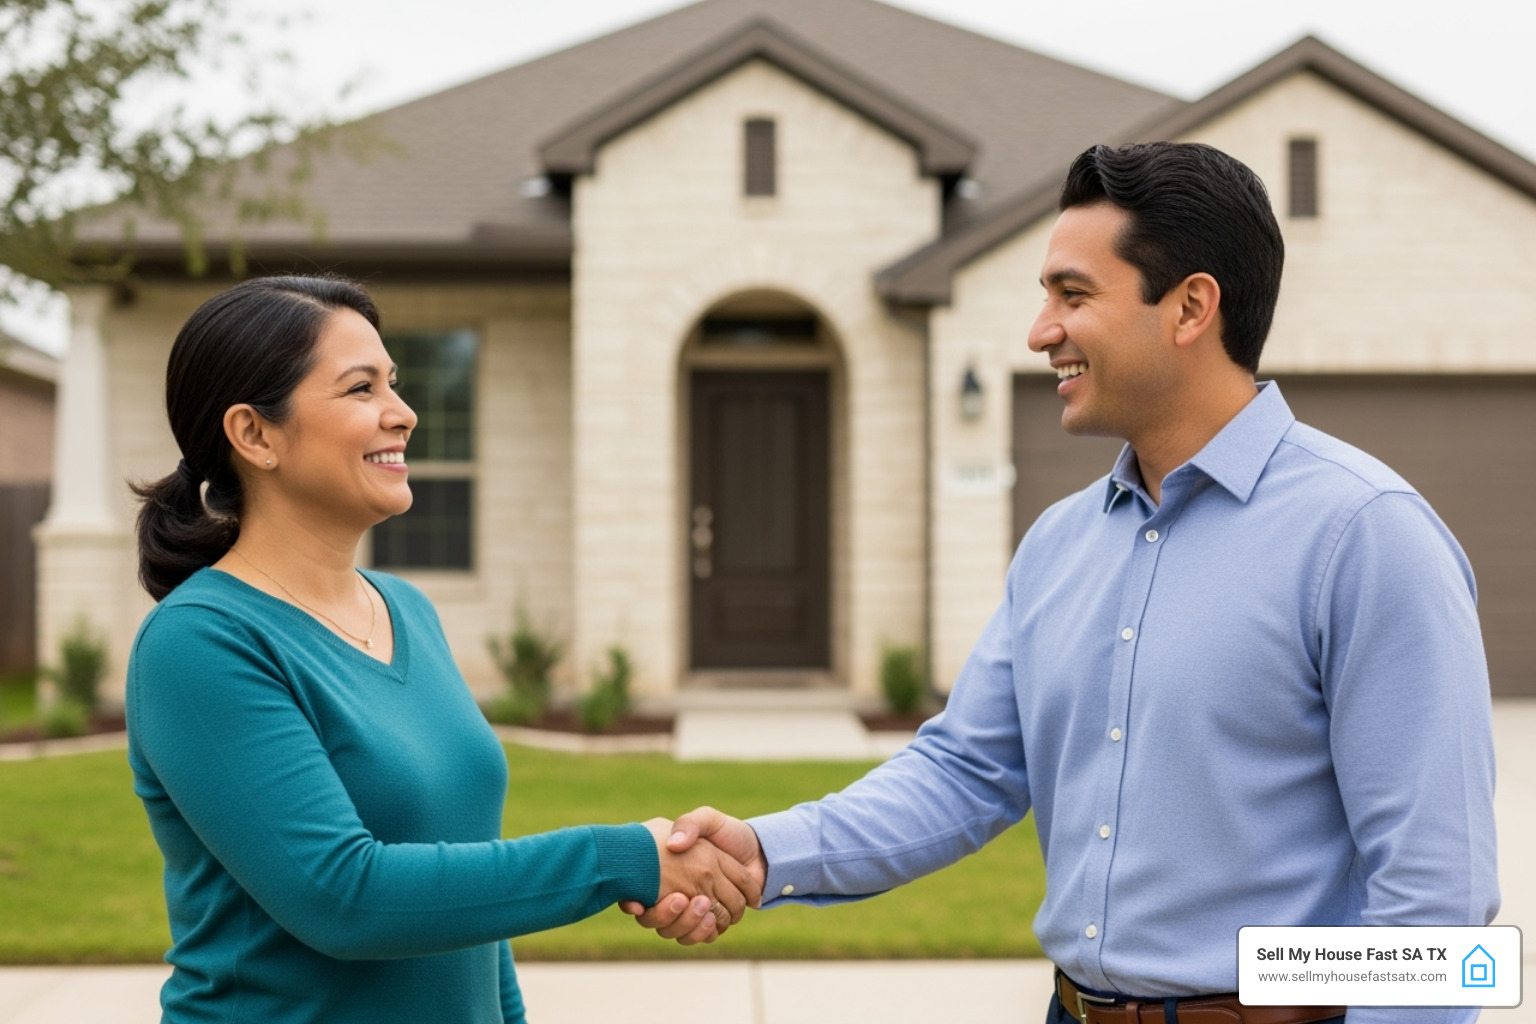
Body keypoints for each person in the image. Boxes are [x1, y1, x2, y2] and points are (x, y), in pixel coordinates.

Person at [627, 143, 1499, 1024]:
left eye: (1072, 295)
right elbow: (964, 772)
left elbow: (1435, 899)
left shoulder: (1365, 536)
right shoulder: (1059, 543)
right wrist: (763, 855)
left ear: (1192, 307)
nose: (1040, 331)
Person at [126, 275, 756, 1024]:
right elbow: (344, 897)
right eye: (362, 389)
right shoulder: (200, 644)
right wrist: (625, 858)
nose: (404, 413)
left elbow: (472, 913)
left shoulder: (408, 612)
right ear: (255, 434)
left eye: (395, 382)